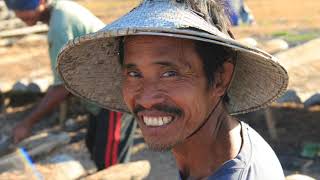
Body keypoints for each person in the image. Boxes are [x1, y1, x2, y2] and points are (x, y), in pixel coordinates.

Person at [57, 0, 288, 179]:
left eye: (170, 74)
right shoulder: (228, 142)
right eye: (134, 74)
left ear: (220, 78)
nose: (146, 99)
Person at [4, 0, 136, 170]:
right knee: (95, 147)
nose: (19, 15)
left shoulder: (60, 24)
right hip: (101, 94)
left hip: (115, 94)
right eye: (15, 11)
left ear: (42, 1)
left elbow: (61, 87)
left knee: (110, 163)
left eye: (23, 9)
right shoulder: (60, 12)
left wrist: (27, 123)